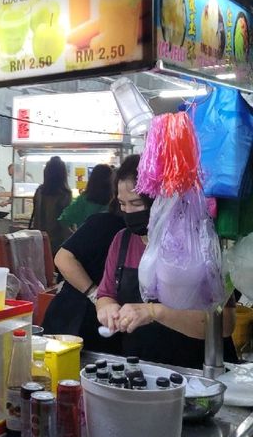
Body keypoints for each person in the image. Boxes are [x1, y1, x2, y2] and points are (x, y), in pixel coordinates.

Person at [95, 155, 236, 369]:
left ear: (160, 201)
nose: (128, 212)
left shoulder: (199, 242)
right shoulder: (122, 241)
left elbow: (225, 323)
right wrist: (106, 309)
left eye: (136, 203)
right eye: (122, 204)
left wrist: (154, 312)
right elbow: (105, 295)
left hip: (195, 370)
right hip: (141, 368)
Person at [42, 164, 128, 353]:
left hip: (109, 320)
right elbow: (63, 258)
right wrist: (95, 295)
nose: (130, 209)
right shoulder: (105, 223)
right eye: (126, 203)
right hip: (76, 318)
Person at [29, 156, 72, 255]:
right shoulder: (64, 194)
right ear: (63, 174)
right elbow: (65, 222)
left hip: (39, 240)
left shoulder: (39, 191)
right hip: (57, 243)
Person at [58, 163, 113, 231]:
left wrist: (74, 235)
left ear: (92, 179)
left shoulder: (83, 200)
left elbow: (63, 219)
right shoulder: (115, 202)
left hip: (87, 239)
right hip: (110, 240)